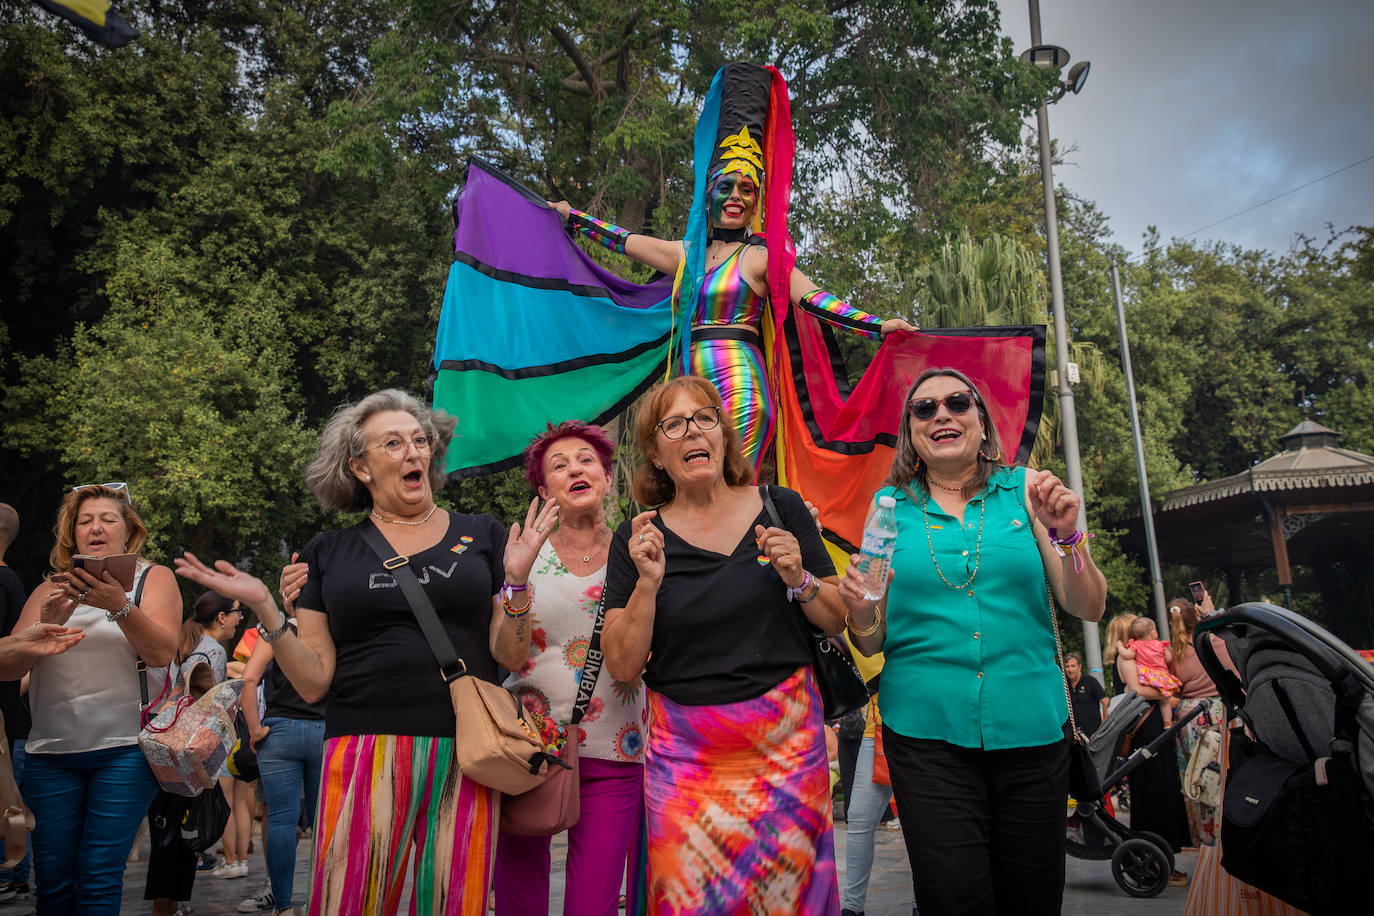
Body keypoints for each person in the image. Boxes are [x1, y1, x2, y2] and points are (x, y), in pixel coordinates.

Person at [174, 388, 549, 916]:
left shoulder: (481, 533)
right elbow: (312, 681)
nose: (413, 452)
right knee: (349, 901)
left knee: (454, 901)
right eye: (393, 443)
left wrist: (515, 583)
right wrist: (265, 607)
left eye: (420, 441)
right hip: (361, 750)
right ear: (360, 467)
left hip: (467, 751)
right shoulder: (329, 551)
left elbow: (509, 657)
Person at [550, 64, 914, 477]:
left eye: (748, 189)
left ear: (757, 200)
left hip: (741, 385)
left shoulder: (760, 258)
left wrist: (878, 326)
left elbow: (815, 300)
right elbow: (625, 240)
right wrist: (574, 218)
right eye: (727, 186)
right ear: (709, 195)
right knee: (691, 488)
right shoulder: (687, 254)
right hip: (689, 389)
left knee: (734, 486)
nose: (737, 196)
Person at [840, 367, 1107, 916]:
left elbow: (1089, 605)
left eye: (958, 403)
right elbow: (869, 642)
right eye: (924, 409)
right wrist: (861, 606)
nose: (942, 414)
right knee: (953, 899)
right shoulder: (888, 508)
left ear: (981, 422)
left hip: (1031, 728)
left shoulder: (1028, 490)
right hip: (925, 733)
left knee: (1031, 900)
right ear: (911, 433)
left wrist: (1069, 537)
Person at [602, 375, 848, 913]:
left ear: (723, 434)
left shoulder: (779, 506)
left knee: (792, 900)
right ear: (656, 453)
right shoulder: (638, 537)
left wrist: (799, 577)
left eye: (705, 418)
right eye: (675, 424)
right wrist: (647, 584)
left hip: (786, 751)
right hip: (685, 764)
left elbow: (836, 620)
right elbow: (621, 664)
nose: (693, 430)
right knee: (692, 902)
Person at [494, 421, 646, 916]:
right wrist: (516, 581)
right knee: (519, 897)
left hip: (615, 746)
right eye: (559, 466)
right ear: (545, 490)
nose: (575, 469)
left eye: (586, 460)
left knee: (593, 903)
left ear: (605, 475)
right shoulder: (527, 555)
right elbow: (509, 657)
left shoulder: (639, 550)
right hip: (530, 747)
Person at [9, 482, 181, 914]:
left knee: (98, 877)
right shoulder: (49, 589)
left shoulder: (152, 579)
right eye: (85, 520)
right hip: (50, 753)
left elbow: (161, 652)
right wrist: (39, 632)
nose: (96, 527)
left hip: (123, 749)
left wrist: (119, 605)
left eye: (108, 519)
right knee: (51, 881)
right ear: (73, 534)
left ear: (129, 531)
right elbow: (8, 671)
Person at [235, 559, 328, 916]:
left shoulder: (275, 631)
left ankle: (284, 905)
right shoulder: (333, 632)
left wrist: (255, 728)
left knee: (281, 820)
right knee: (325, 821)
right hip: (324, 731)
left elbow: (248, 680)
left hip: (279, 732)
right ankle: (321, 899)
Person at [143, 590, 243, 915]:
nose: (240, 619)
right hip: (187, 752)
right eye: (237, 612)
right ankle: (170, 904)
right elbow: (208, 710)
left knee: (163, 829)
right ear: (221, 617)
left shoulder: (186, 641)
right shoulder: (212, 651)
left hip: (162, 745)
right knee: (184, 831)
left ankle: (165, 903)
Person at [1104, 611, 1191, 884]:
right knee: (1155, 795)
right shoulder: (1127, 658)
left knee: (1160, 792)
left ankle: (1159, 858)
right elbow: (1136, 690)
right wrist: (1168, 692)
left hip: (1152, 732)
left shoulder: (1136, 656)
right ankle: (1153, 862)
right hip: (1146, 734)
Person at [1168, 594, 1229, 847]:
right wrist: (1210, 611)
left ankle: (1204, 836)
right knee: (1224, 772)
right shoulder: (1217, 640)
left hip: (1190, 716)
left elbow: (1171, 688)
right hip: (1220, 710)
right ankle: (1227, 826)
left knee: (1196, 776)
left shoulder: (1174, 653)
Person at [0, 502, 32, 901]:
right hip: (13, 713)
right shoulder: (15, 583)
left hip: (7, 717)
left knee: (10, 797)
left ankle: (14, 872)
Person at [1116, 617, 1182, 726]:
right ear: (1153, 633)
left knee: (1128, 689)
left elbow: (1127, 654)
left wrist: (1119, 647)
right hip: (1161, 677)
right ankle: (1168, 721)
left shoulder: (1135, 646)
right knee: (1165, 702)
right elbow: (1169, 658)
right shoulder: (1159, 644)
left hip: (1147, 677)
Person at [1064, 652, 1108, 737]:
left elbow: (1105, 701)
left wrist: (1104, 727)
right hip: (1074, 735)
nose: (1070, 669)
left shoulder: (1090, 681)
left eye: (1073, 666)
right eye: (1067, 666)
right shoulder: (1065, 685)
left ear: (1079, 666)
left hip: (1094, 733)